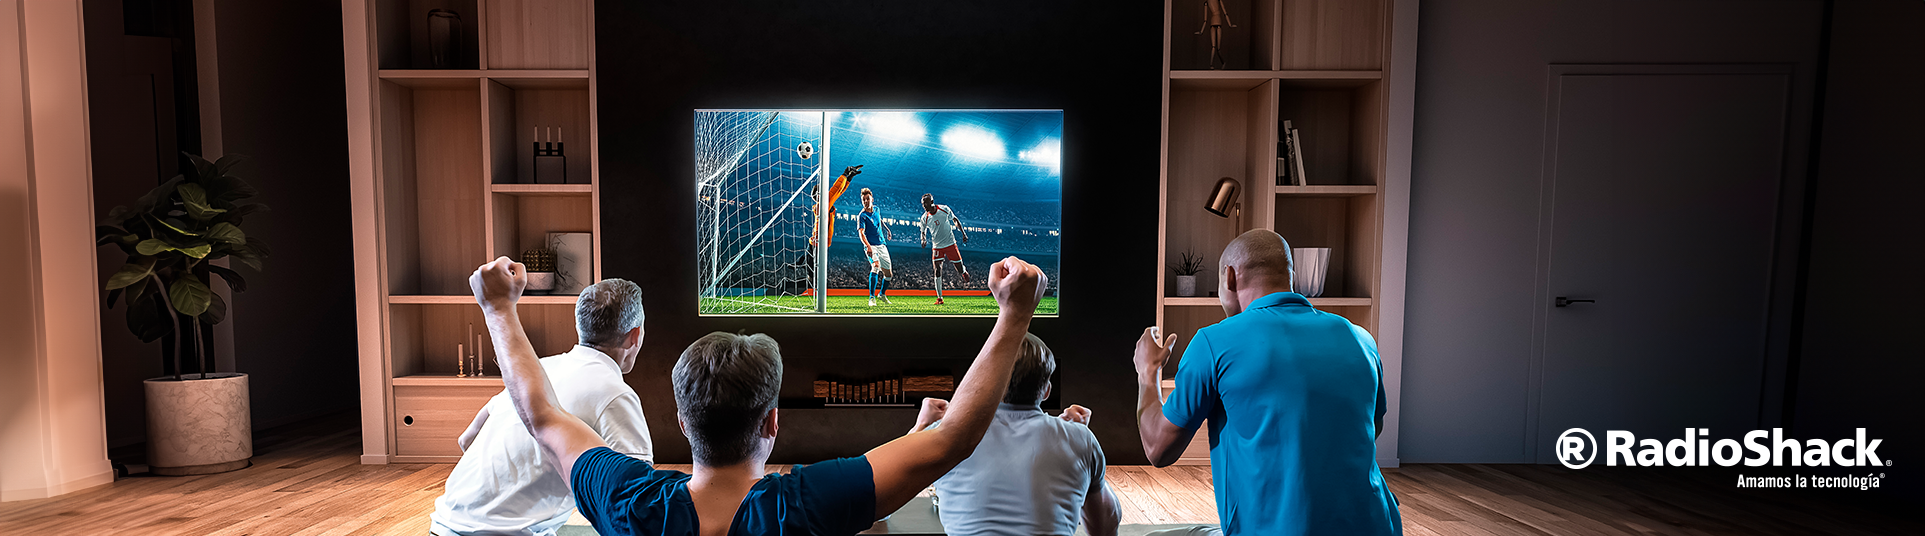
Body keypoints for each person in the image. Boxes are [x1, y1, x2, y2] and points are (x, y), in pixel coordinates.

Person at [465, 254, 1046, 536]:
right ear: (771, 422)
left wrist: (499, 309)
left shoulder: (628, 500)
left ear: (682, 421)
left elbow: (540, 413)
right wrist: (1015, 314)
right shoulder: (808, 502)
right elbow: (953, 439)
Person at [1132, 229, 1401, 536]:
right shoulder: (1361, 339)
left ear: (1230, 277)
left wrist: (1148, 372)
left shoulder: (1215, 341)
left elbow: (1157, 448)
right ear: (1291, 277)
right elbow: (1372, 428)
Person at [430, 279, 655, 536]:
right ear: (634, 336)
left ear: (579, 327)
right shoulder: (616, 394)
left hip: (442, 526)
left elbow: (467, 439)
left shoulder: (536, 371)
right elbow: (637, 503)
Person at [909, 333, 1121, 536]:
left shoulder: (943, 434)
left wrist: (921, 427)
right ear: (1046, 390)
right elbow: (1105, 530)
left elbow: (879, 505)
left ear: (985, 382)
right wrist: (1086, 446)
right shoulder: (1081, 439)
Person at [918, 193, 970, 305]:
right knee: (937, 270)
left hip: (950, 243)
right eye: (922, 204)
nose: (924, 206)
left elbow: (955, 220)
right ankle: (940, 298)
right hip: (937, 246)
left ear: (931, 202)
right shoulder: (924, 218)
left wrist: (963, 233)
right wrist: (923, 239)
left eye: (925, 203)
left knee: (959, 268)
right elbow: (922, 231)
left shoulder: (944, 209)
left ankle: (964, 272)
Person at [857, 188, 894, 306]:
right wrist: (868, 246)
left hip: (882, 244)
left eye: (867, 199)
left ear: (872, 199)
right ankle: (871, 298)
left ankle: (882, 294)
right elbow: (861, 233)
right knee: (876, 266)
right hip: (871, 245)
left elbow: (880, 220)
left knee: (889, 274)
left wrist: (887, 230)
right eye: (863, 200)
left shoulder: (877, 209)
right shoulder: (862, 216)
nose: (866, 201)